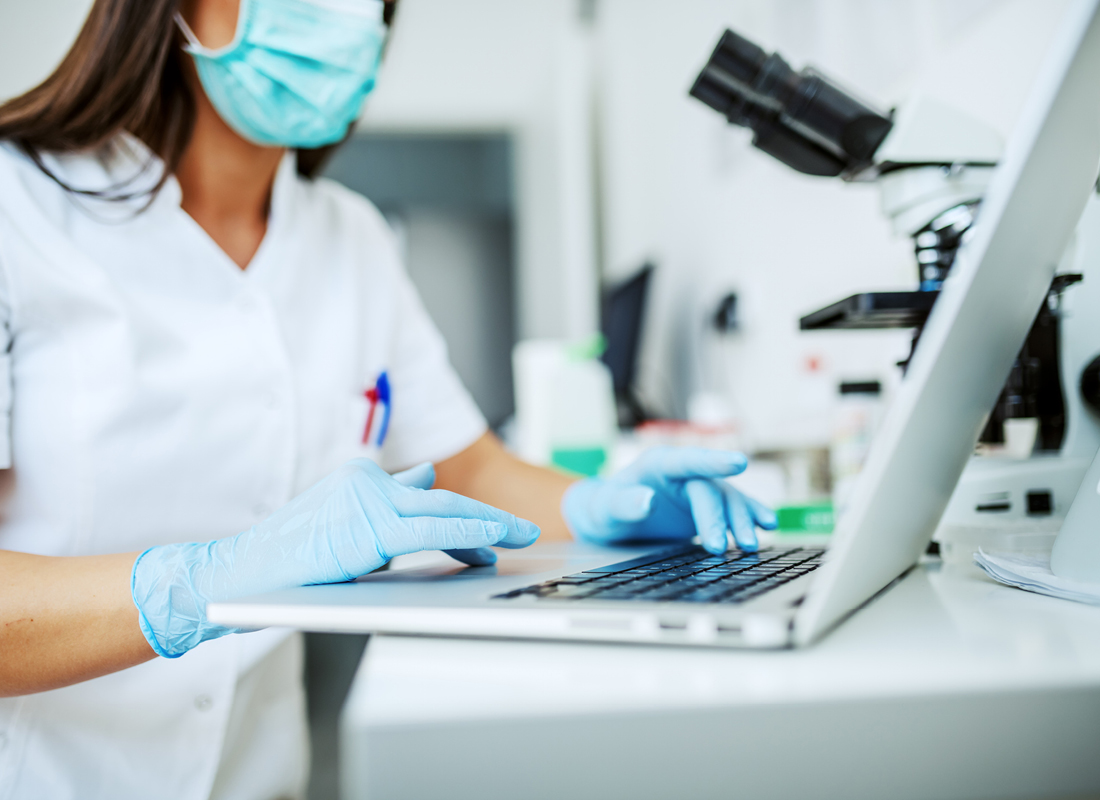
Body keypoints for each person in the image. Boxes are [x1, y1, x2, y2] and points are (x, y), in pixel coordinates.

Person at [0, 0, 776, 797]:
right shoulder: (14, 205)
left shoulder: (351, 237)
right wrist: (204, 581)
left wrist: (600, 506)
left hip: (259, 775)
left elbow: (465, 467)